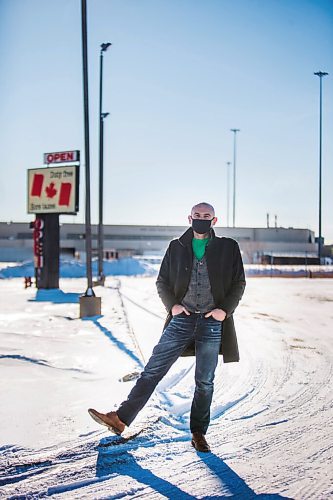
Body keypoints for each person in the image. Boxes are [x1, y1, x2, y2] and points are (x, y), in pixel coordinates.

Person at [89, 202, 246, 452]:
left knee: (204, 381)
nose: (201, 219)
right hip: (181, 319)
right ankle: (120, 419)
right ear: (189, 218)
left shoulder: (228, 247)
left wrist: (223, 311)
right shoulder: (177, 247)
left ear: (214, 220)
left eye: (206, 216)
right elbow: (162, 281)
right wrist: (172, 306)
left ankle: (198, 433)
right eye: (197, 216)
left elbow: (239, 282)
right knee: (152, 371)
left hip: (211, 322)